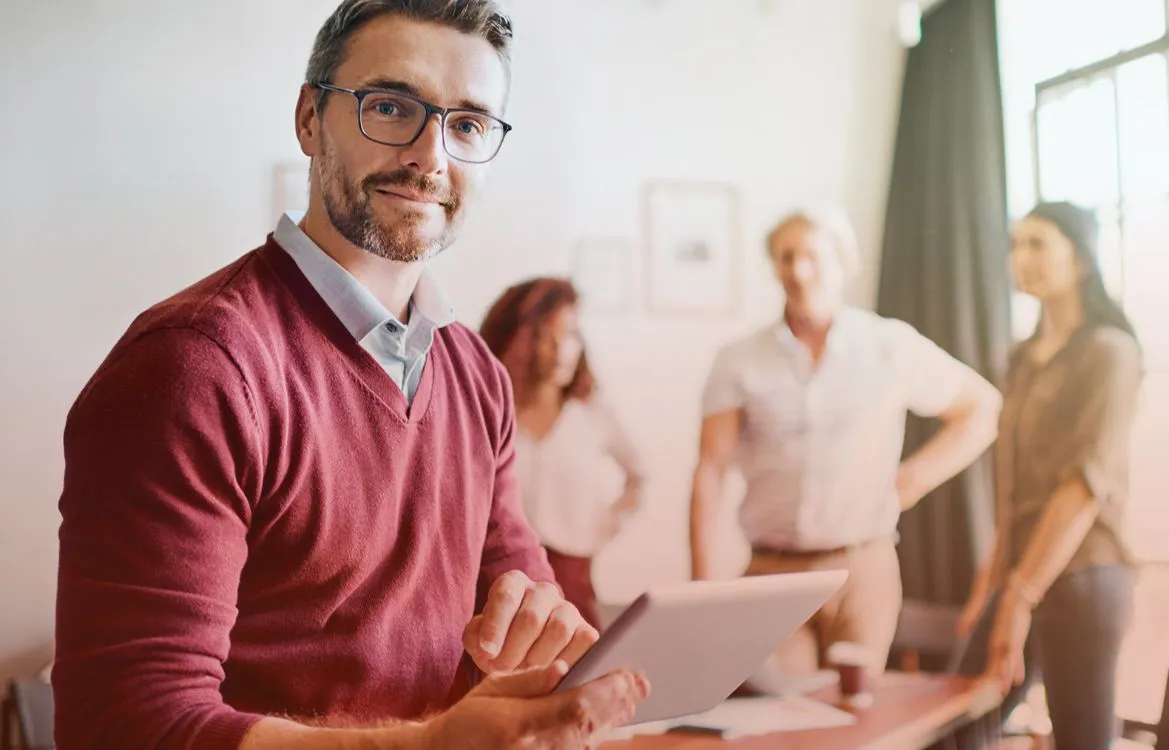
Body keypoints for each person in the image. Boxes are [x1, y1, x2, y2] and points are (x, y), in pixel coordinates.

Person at [52, 2, 647, 748]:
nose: (431, 156)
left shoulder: (476, 374)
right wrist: (427, 745)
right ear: (309, 119)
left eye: (467, 125)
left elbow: (524, 605)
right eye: (391, 107)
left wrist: (548, 646)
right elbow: (124, 723)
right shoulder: (194, 366)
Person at [689, 208, 1002, 676]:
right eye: (786, 257)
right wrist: (702, 585)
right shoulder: (738, 360)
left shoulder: (889, 345)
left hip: (862, 570)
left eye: (812, 255)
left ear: (842, 262)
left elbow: (982, 408)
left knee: (856, 722)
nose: (798, 270)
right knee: (780, 723)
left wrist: (913, 479)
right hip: (771, 573)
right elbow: (711, 469)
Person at [953, 201, 1142, 750]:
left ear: (1080, 260)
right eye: (1016, 244)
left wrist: (1019, 596)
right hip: (1021, 573)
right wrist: (989, 587)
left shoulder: (1110, 352)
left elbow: (1086, 484)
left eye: (1038, 243)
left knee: (1081, 741)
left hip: (1085, 577)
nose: (1022, 257)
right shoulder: (1021, 358)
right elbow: (1012, 489)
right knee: (956, 725)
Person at [479, 277, 647, 631]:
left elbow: (641, 475)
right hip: (496, 594)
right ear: (518, 340)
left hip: (573, 585)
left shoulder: (590, 412)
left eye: (570, 334)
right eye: (545, 336)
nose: (560, 351)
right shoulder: (489, 412)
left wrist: (599, 528)